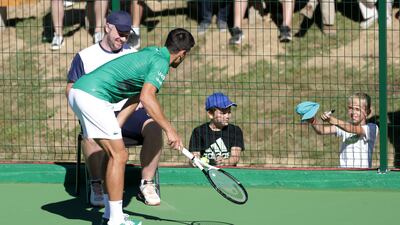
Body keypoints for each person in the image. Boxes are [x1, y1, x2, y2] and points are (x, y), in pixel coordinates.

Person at [68, 28, 195, 225]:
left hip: (80, 92)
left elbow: (136, 96)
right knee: (120, 155)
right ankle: (116, 220)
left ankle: (110, 214)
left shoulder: (151, 52)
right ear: (183, 54)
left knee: (113, 154)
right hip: (93, 96)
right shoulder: (161, 63)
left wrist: (118, 124)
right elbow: (147, 97)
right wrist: (170, 131)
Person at [66, 10, 161, 210]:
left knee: (153, 127)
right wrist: (84, 115)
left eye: (127, 34)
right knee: (89, 135)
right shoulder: (85, 56)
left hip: (130, 112)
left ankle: (147, 183)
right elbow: (71, 89)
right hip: (99, 112)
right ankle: (97, 184)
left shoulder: (134, 55)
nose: (123, 38)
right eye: (120, 32)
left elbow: (146, 90)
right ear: (107, 27)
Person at [307, 93, 379, 168]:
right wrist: (312, 119)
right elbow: (321, 130)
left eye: (357, 109)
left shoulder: (371, 128)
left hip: (362, 173)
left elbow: (351, 129)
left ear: (368, 112)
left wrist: (332, 120)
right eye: (350, 108)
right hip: (343, 170)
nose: (353, 112)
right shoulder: (344, 126)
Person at [189, 92, 244, 166]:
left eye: (229, 112)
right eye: (223, 113)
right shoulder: (198, 132)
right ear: (211, 114)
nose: (227, 116)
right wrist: (195, 161)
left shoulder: (235, 131)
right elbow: (193, 156)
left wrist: (225, 162)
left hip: (227, 172)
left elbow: (235, 158)